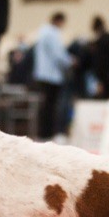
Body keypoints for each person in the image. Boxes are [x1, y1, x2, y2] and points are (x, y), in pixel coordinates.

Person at [32, 12, 74, 140]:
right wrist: (71, 61)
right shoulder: (52, 33)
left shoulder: (42, 32)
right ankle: (48, 133)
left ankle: (43, 132)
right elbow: (58, 54)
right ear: (59, 21)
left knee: (46, 105)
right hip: (51, 76)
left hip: (42, 75)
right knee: (50, 107)